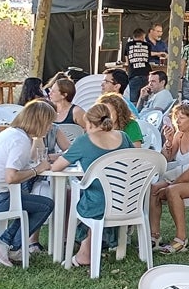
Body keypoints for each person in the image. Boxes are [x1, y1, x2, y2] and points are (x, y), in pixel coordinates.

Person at [50, 101, 134, 268]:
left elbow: (57, 167)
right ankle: (89, 249)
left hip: (97, 204)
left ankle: (82, 251)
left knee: (82, 194)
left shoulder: (84, 141)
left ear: (89, 123)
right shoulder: (123, 137)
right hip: (126, 201)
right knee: (96, 193)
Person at [0, 101, 57, 266]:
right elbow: (11, 177)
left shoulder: (13, 134)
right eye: (48, 123)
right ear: (39, 121)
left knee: (30, 204)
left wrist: (38, 150)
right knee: (45, 205)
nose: (50, 127)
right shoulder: (20, 141)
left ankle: (9, 246)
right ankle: (6, 244)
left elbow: (29, 159)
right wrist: (37, 170)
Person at [149, 101, 189, 254]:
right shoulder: (180, 134)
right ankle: (154, 235)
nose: (177, 121)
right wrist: (169, 142)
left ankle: (181, 239)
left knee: (172, 191)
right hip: (181, 176)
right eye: (176, 117)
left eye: (181, 118)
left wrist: (169, 186)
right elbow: (166, 159)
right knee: (153, 188)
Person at [124, 28, 152, 104]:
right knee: (145, 99)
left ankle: (134, 114)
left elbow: (127, 61)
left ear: (134, 36)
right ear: (143, 36)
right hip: (146, 74)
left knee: (133, 101)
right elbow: (148, 58)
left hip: (134, 74)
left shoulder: (128, 45)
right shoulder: (147, 45)